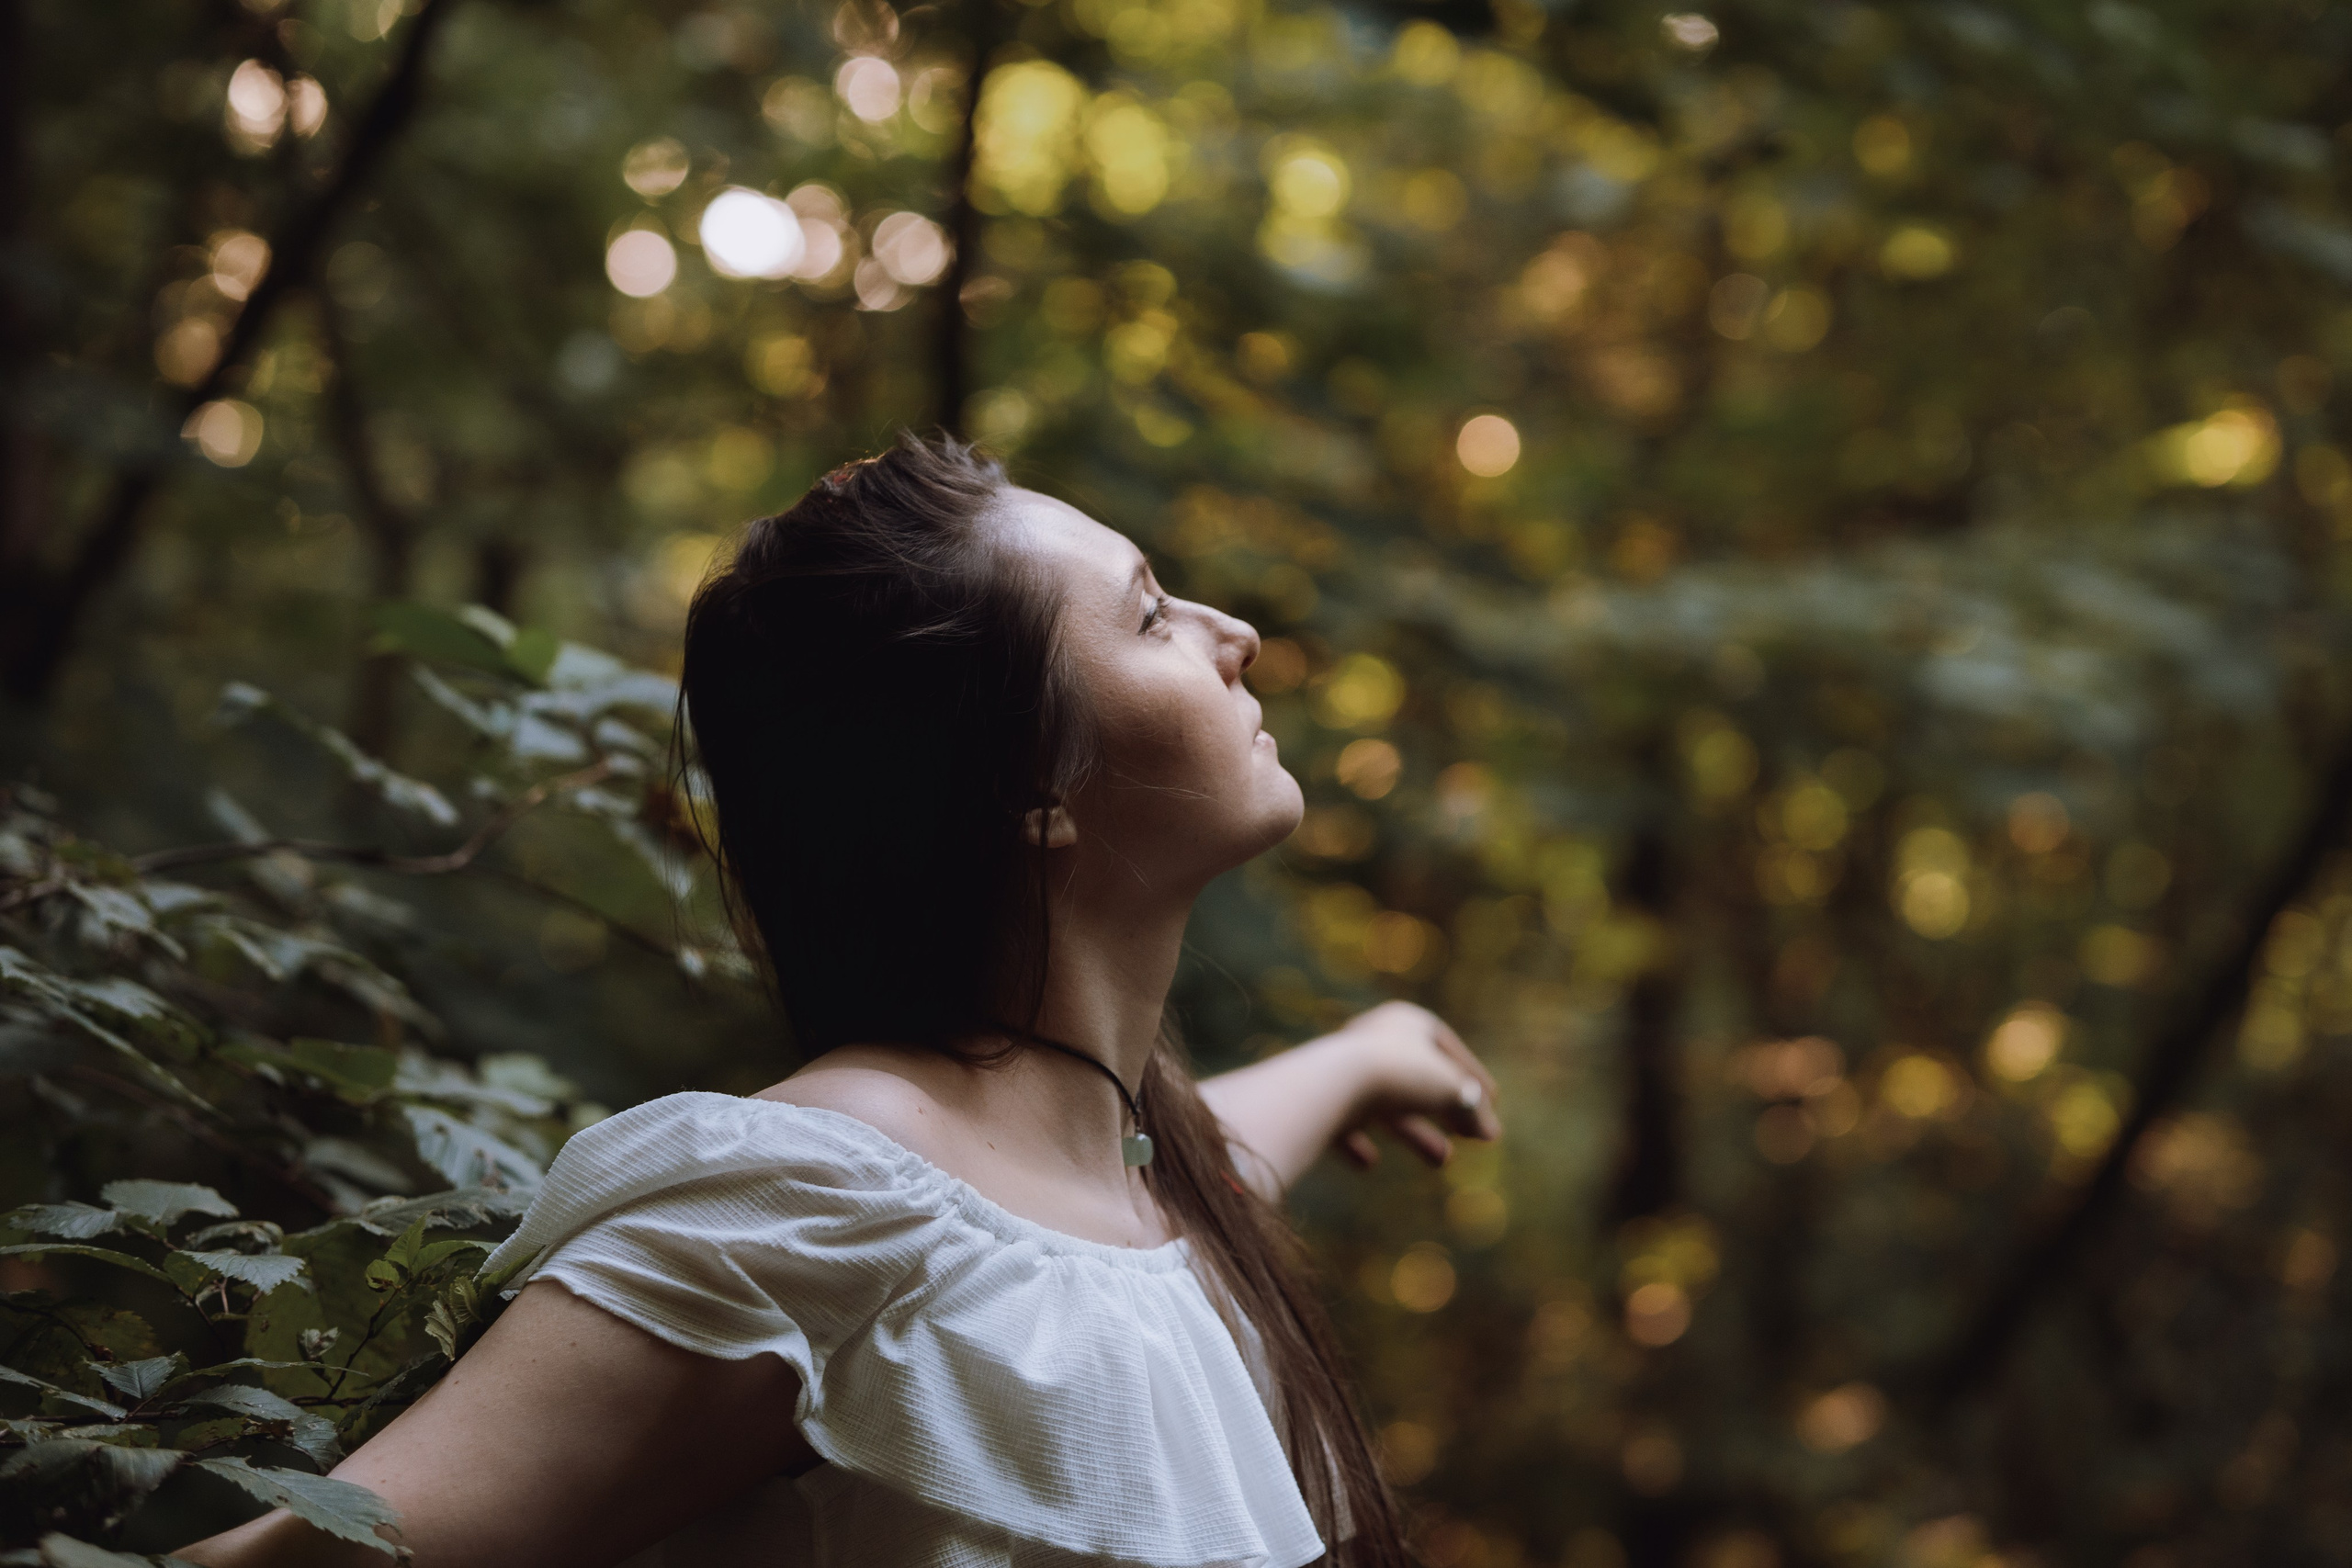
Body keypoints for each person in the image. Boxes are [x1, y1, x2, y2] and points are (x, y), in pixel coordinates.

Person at [183, 433, 1502, 1568]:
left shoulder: (1126, 1177)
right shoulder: (809, 1198)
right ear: (1021, 789)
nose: (1236, 635)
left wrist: (1366, 1054)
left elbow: (1134, 1238)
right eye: (1150, 615)